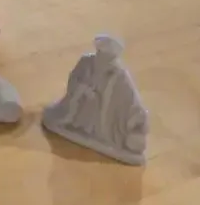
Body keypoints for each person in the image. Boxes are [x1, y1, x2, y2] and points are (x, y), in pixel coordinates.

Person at [43, 35, 148, 163]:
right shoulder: (86, 62)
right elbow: (74, 79)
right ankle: (77, 126)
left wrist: (138, 119)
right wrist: (83, 90)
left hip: (102, 121)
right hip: (82, 111)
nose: (104, 59)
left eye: (108, 57)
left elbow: (131, 99)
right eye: (101, 54)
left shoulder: (120, 76)